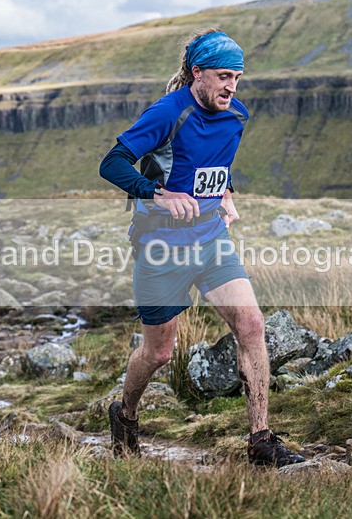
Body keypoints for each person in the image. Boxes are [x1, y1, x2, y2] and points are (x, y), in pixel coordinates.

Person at [99, 28, 304, 467]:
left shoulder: (236, 116)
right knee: (160, 352)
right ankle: (125, 415)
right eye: (224, 76)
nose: (232, 86)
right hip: (160, 249)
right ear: (198, 73)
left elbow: (214, 165)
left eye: (238, 77)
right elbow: (112, 162)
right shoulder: (168, 113)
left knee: (251, 324)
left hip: (211, 240)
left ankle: (261, 441)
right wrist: (157, 193)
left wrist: (226, 193)